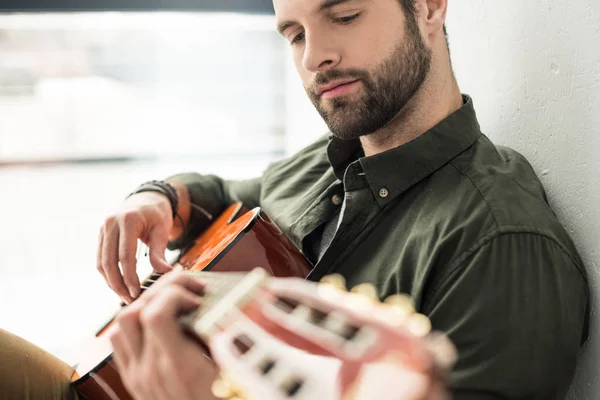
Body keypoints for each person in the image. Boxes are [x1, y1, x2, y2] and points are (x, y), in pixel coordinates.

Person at [0, 0, 588, 399]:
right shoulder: (330, 155)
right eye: (295, 33)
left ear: (430, 4)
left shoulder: (500, 245)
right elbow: (227, 198)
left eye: (344, 15)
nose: (314, 57)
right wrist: (158, 200)